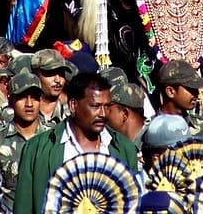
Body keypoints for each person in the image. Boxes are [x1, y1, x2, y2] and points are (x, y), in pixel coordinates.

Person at [13, 72, 138, 214]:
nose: (103, 114)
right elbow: (23, 208)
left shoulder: (124, 149)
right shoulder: (37, 149)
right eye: (95, 106)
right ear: (73, 105)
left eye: (107, 106)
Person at [0, 73, 48, 208]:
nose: (29, 104)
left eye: (34, 98)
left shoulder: (53, 137)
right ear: (10, 101)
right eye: (22, 97)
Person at [153, 61, 203, 141]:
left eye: (196, 89)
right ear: (170, 91)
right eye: (190, 88)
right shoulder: (148, 130)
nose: (197, 93)